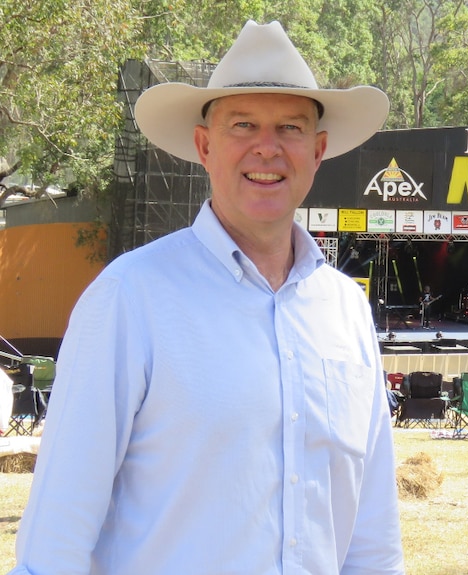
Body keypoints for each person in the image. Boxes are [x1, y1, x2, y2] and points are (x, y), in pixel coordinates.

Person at [10, 21, 404, 575]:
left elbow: (372, 537)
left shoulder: (345, 309)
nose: (267, 148)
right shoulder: (130, 298)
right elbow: (57, 537)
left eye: (290, 127)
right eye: (243, 123)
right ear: (204, 145)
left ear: (318, 152)